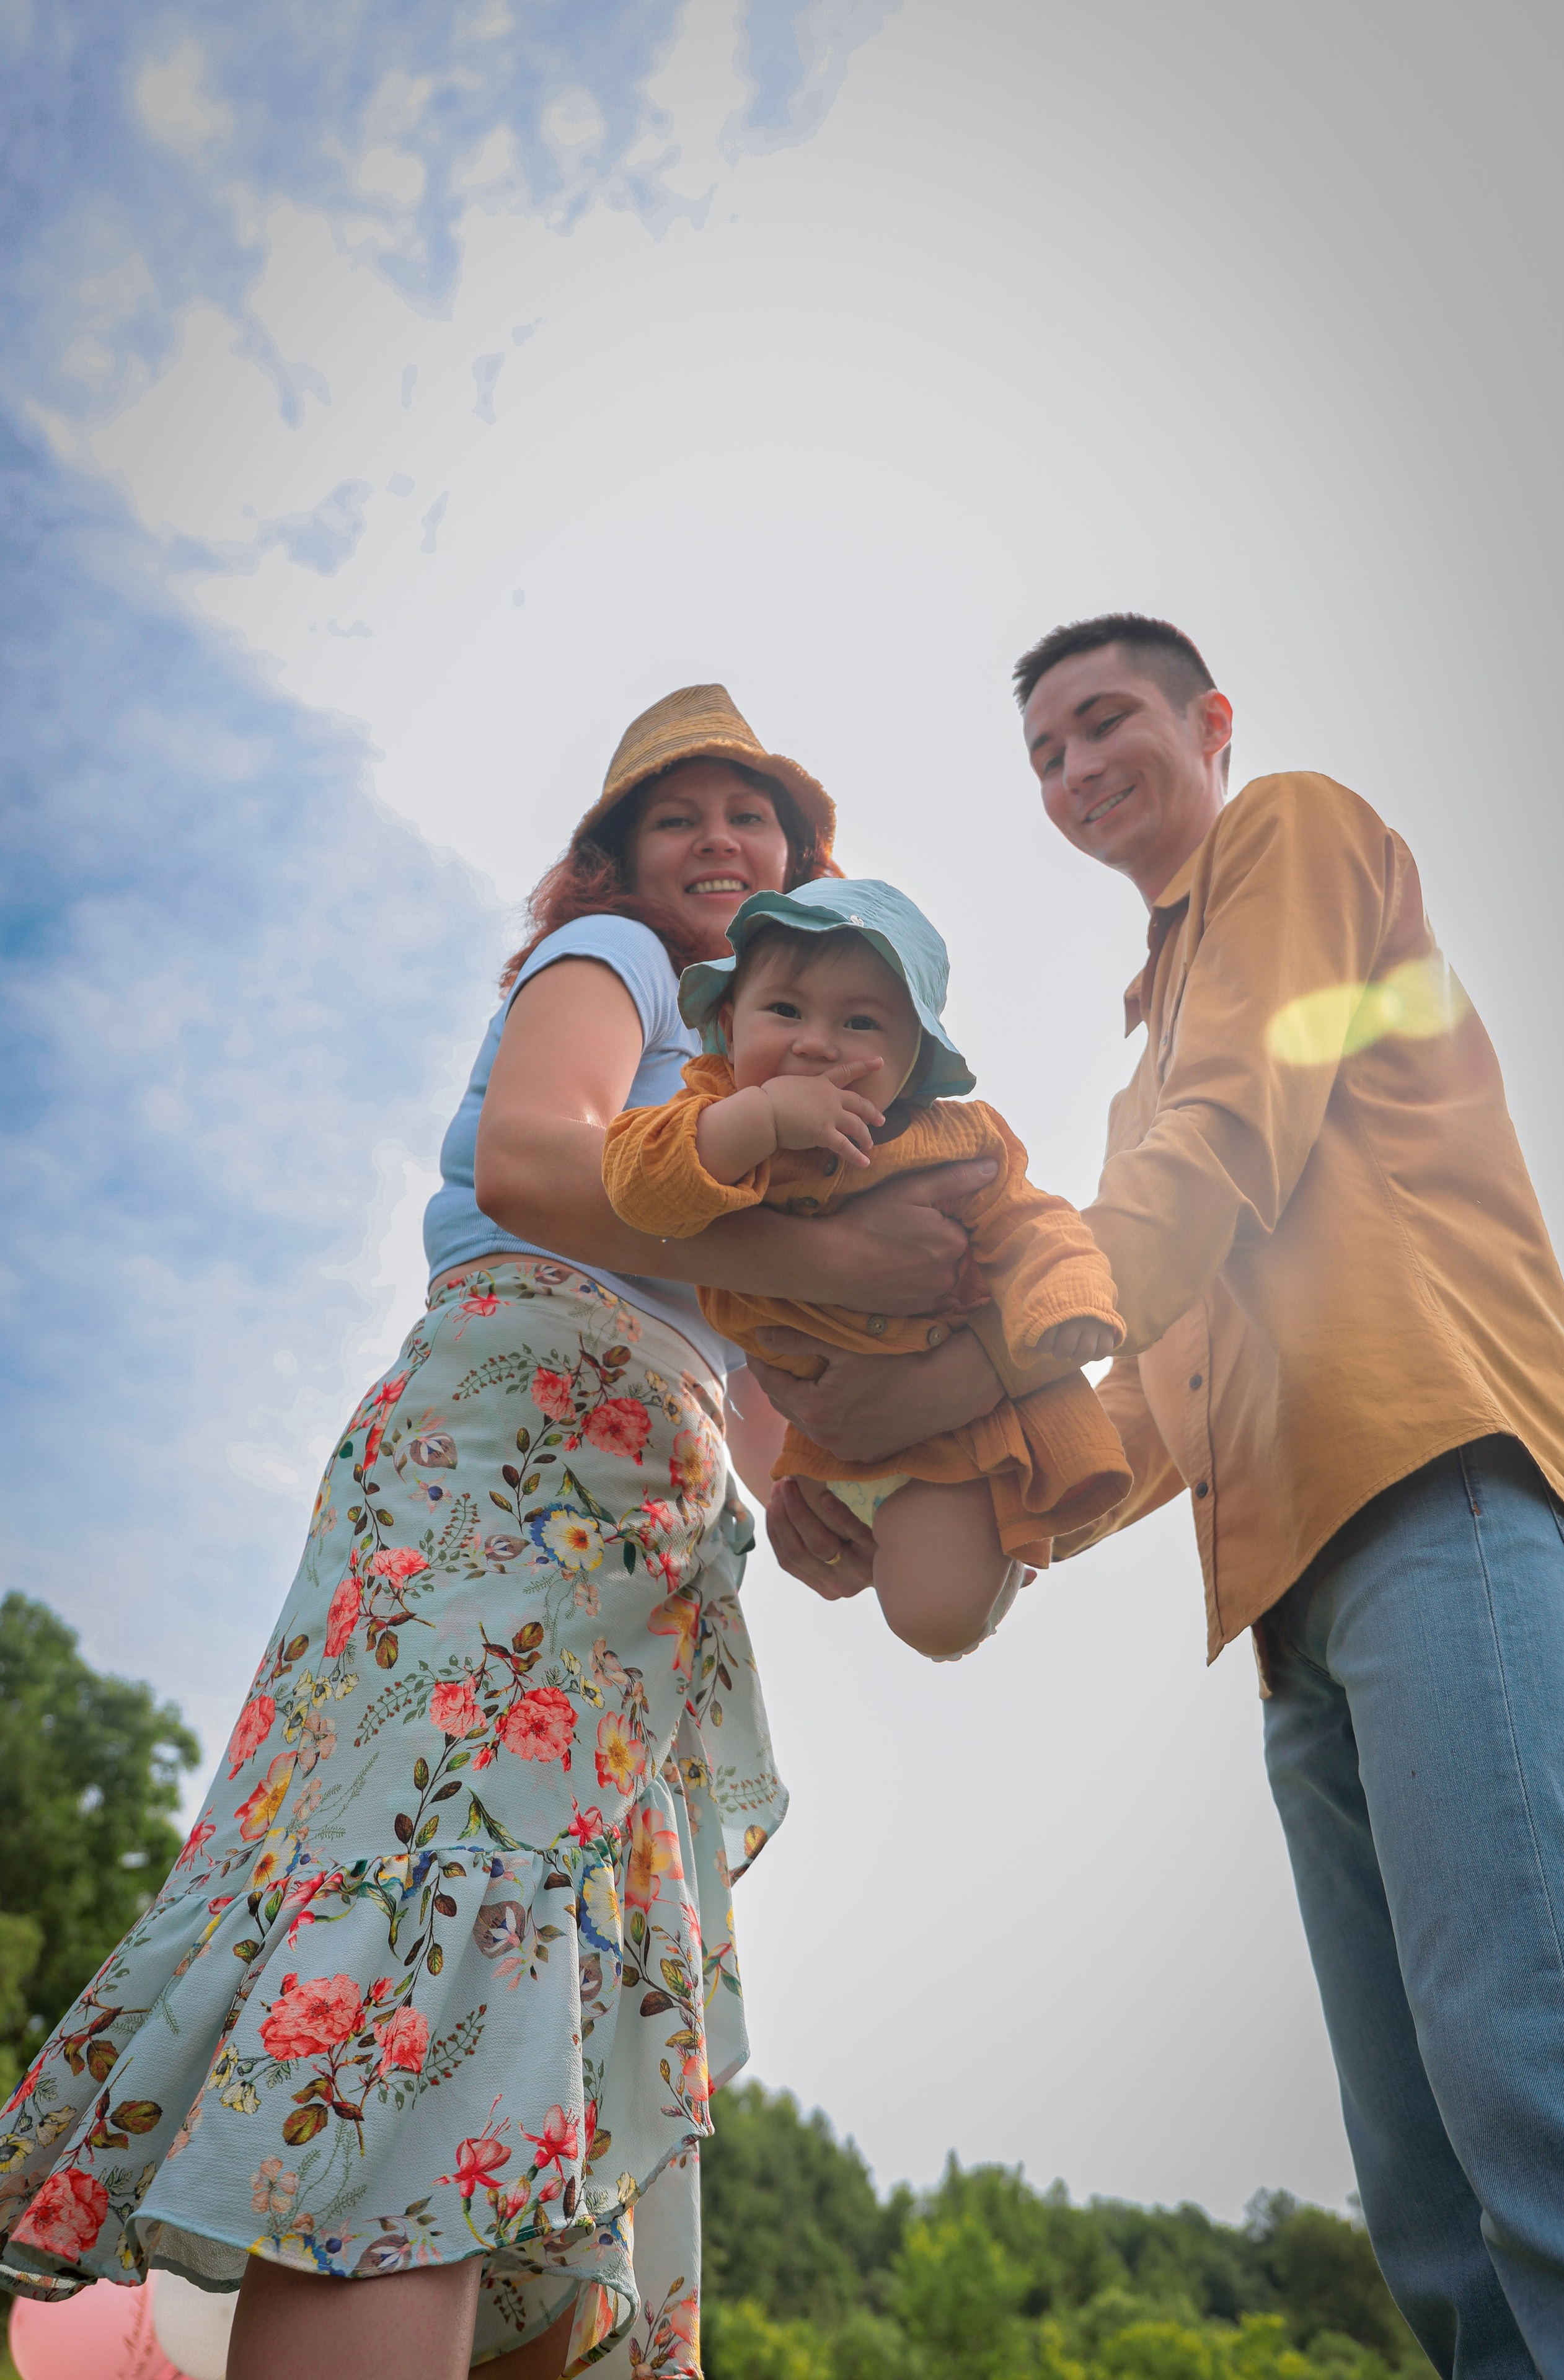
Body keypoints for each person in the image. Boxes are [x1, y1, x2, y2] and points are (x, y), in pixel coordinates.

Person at [0, 685, 997, 2380]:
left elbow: (754, 1386)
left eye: (749, 818)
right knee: (431, 1967)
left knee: (532, 2023)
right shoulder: (611, 963)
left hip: (642, 1548)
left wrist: (830, 1493)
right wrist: (832, 1253)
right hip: (502, 1475)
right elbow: (541, 1166)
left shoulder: (787, 1100)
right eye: (675, 815)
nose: (713, 840)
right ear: (613, 857)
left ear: (797, 875)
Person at [764, 614, 1564, 2379]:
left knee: (1541, 2091)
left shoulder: (1292, 836)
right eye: (1045, 755)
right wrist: (940, 1493)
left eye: (1105, 721)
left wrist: (941, 1388)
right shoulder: (1145, 1046)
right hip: (1289, 1606)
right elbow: (1155, 1387)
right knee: (1431, 2212)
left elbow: (1223, 1152)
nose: (1076, 773)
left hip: (1438, 1489)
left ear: (1210, 719)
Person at [601, 876, 1128, 1657]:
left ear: (914, 1063)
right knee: (862, 1567)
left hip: (955, 1434)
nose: (817, 1042)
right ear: (727, 1023)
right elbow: (639, 1194)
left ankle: (1001, 1533)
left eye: (860, 1021)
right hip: (823, 1438)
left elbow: (1033, 1223)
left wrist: (1067, 1300)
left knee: (934, 1620)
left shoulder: (950, 1141)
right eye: (784, 1011)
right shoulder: (708, 1116)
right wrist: (763, 1118)